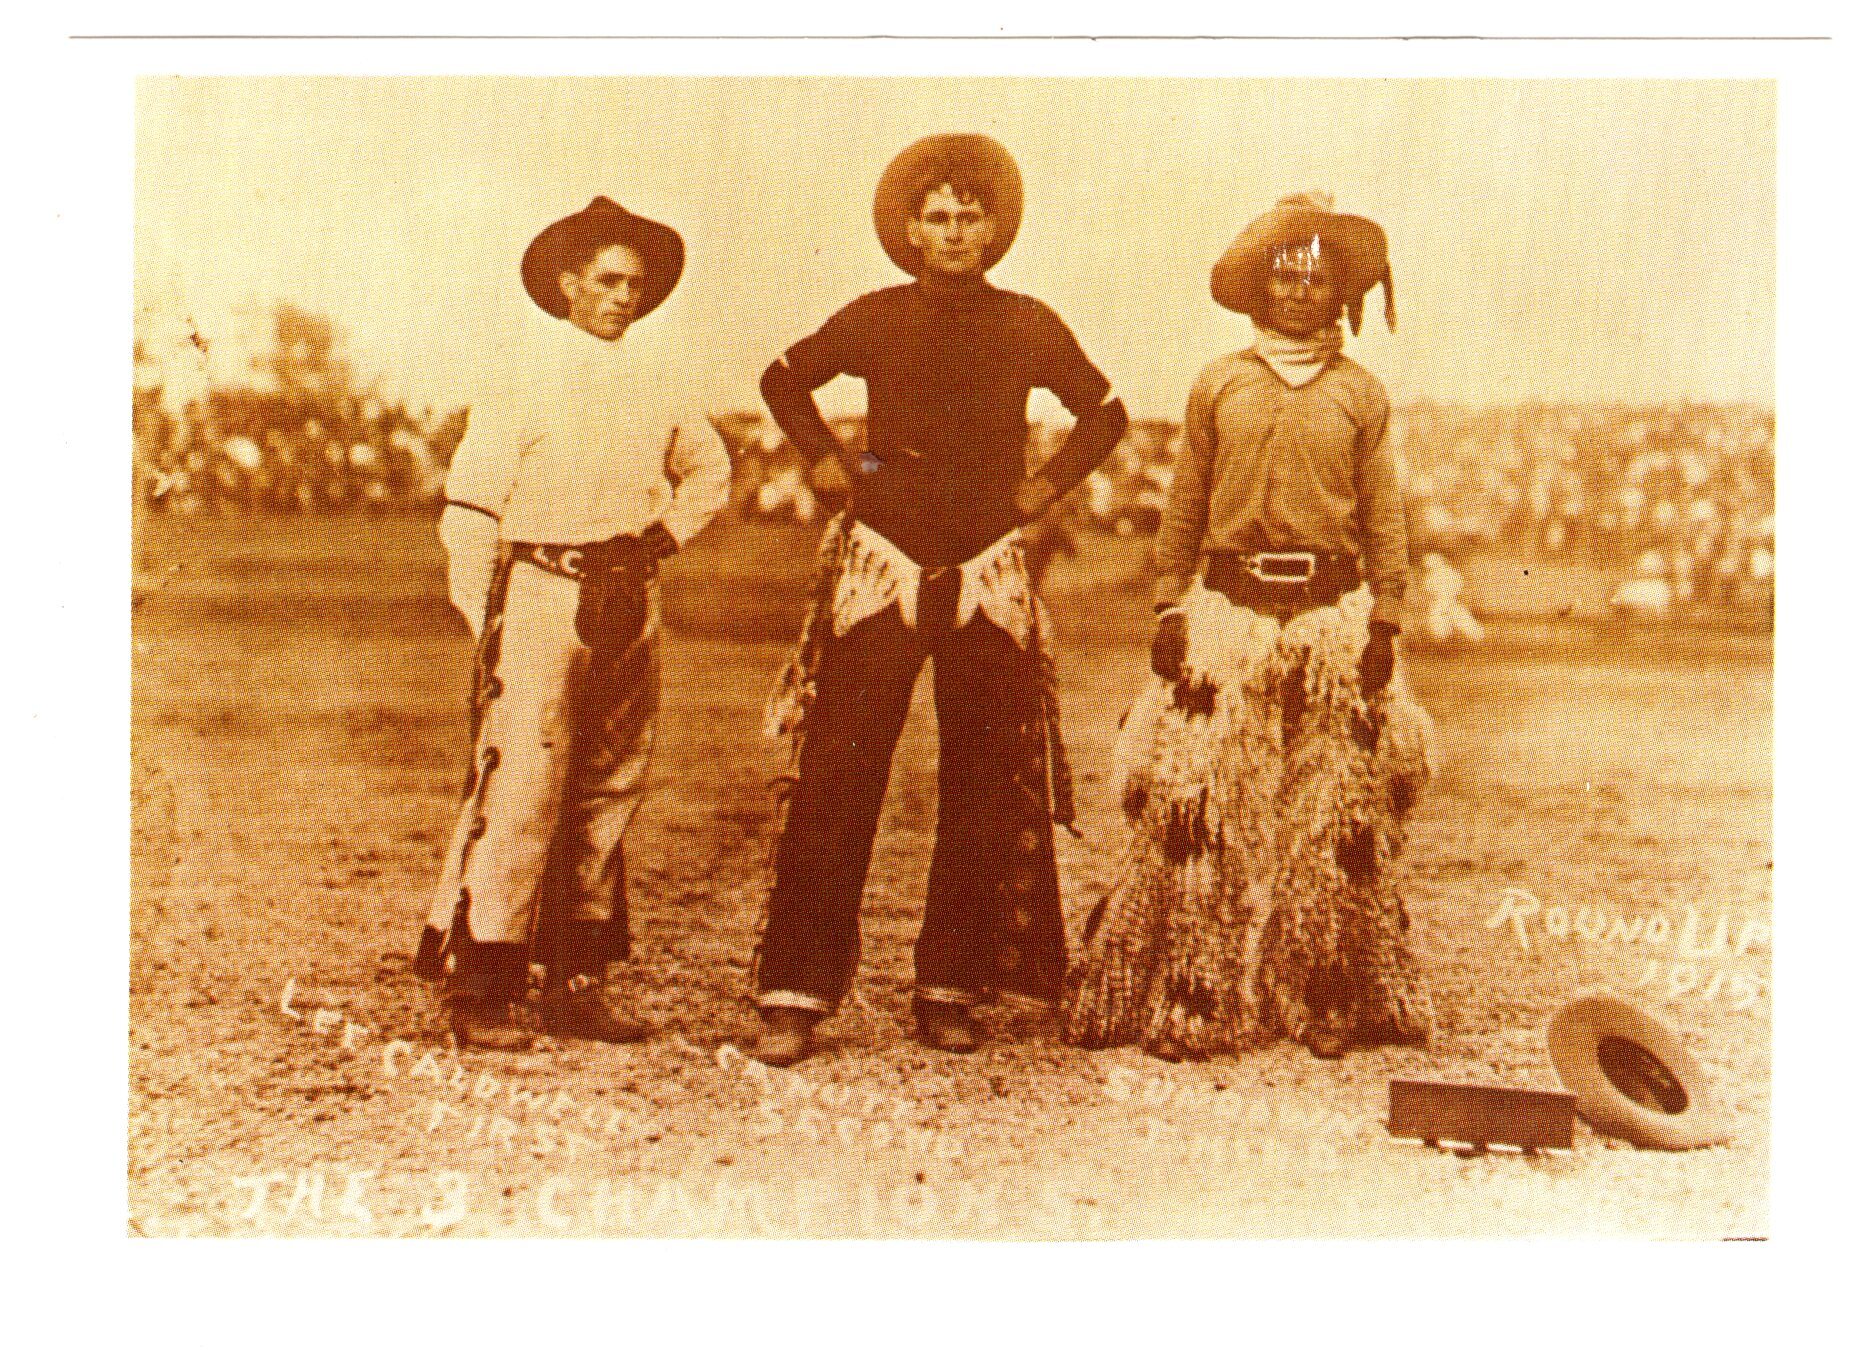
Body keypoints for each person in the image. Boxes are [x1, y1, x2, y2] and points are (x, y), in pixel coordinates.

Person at [753, 134, 1128, 1066]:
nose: (954, 232)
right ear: (911, 231)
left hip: (989, 564)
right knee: (837, 777)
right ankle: (794, 995)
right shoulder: (876, 316)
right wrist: (829, 461)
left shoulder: (1028, 322)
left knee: (981, 784)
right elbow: (782, 378)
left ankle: (949, 988)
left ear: (993, 229)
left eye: (969, 217)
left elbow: (1105, 412)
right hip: (882, 557)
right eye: (937, 218)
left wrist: (1041, 490)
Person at [1067, 192, 1435, 1061]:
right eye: (1283, 276)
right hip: (1227, 606)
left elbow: (1382, 514)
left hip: (1332, 612)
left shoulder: (1359, 393)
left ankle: (1326, 994)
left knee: (1335, 816)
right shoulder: (1219, 383)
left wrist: (1385, 619)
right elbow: (1186, 500)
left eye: (1315, 279)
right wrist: (1169, 602)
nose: (1298, 291)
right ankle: (1191, 993)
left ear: (1340, 293)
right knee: (1198, 807)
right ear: (1259, 287)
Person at [411, 197, 732, 1050]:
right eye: (608, 280)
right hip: (542, 592)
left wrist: (662, 538)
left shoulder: (658, 382)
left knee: (611, 784)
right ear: (567, 284)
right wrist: (484, 619)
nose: (624, 297)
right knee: (522, 784)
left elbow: (711, 470)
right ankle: (482, 985)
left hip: (629, 595)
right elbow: (471, 508)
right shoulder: (521, 376)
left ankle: (576, 982)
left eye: (635, 284)